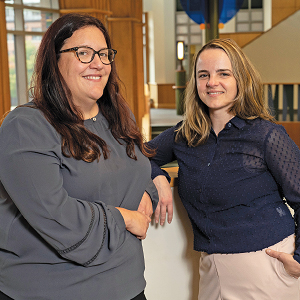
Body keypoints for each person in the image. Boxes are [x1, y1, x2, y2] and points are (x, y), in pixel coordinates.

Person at [0, 13, 158, 300]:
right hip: (53, 291)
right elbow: (58, 217)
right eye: (83, 53)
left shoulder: (118, 117)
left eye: (103, 54)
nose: (98, 63)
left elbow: (135, 167)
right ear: (54, 60)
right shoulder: (26, 126)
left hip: (129, 286)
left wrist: (150, 186)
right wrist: (123, 218)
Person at [148, 38, 300, 300]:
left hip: (267, 267)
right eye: (203, 75)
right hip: (211, 268)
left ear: (240, 79)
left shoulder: (266, 135)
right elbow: (137, 155)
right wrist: (157, 176)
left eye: (223, 74)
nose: (211, 82)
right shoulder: (184, 134)